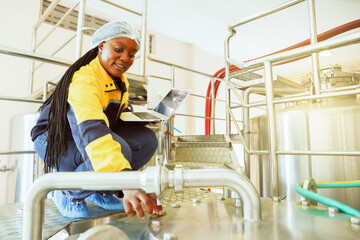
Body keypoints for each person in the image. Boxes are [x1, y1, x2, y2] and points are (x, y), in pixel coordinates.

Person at [31, 20, 162, 219]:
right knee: (119, 148)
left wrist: (142, 120)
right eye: (119, 49)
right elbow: (92, 131)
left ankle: (99, 190)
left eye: (132, 54)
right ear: (101, 46)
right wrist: (126, 183)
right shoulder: (84, 80)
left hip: (81, 134)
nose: (126, 58)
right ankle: (66, 191)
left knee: (147, 140)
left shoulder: (119, 80)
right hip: (52, 139)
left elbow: (113, 118)